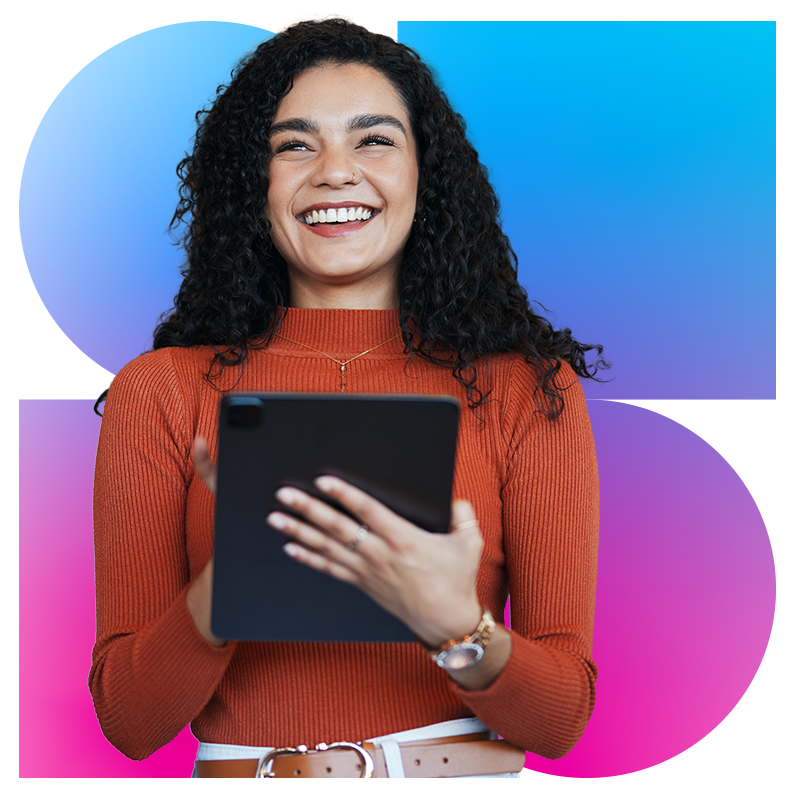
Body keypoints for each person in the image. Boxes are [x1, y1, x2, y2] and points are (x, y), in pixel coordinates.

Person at [91, 14, 607, 779]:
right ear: (251, 184)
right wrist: (233, 580)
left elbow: (562, 719)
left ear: (424, 172)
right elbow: (130, 723)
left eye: (374, 138)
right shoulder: (161, 392)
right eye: (294, 144)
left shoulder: (527, 391)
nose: (335, 171)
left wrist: (455, 626)